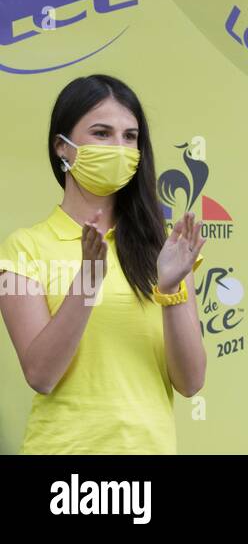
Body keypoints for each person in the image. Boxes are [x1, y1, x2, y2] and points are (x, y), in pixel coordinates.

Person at [0, 74, 207, 454]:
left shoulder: (164, 251)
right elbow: (41, 374)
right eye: (101, 133)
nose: (118, 148)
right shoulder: (24, 248)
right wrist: (89, 279)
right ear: (62, 148)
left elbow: (191, 381)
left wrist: (170, 290)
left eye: (130, 137)